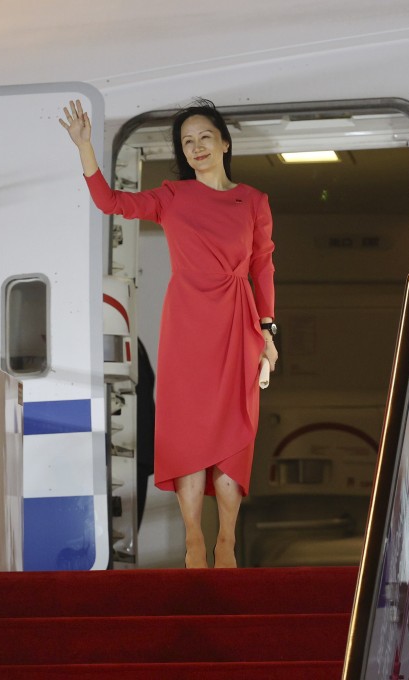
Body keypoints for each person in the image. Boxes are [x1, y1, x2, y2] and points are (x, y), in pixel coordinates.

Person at [60, 98, 278, 568]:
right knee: (189, 434)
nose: (197, 147)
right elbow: (110, 202)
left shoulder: (253, 201)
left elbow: (263, 268)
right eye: (187, 142)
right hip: (187, 328)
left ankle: (227, 541)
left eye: (204, 137)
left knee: (235, 433)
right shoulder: (172, 197)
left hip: (238, 326)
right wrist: (85, 148)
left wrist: (269, 334)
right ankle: (195, 538)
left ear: (224, 141)